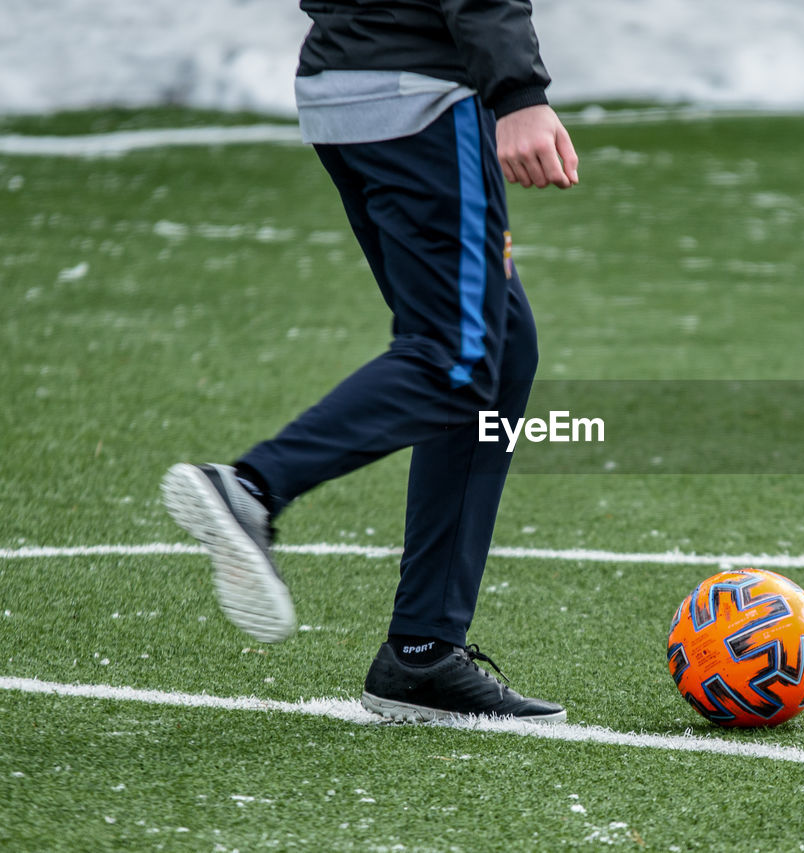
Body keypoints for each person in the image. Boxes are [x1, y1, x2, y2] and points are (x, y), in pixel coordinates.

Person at [161, 0, 578, 724]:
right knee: (456, 356)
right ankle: (252, 487)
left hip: (349, 80)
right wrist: (518, 92)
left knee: (500, 347)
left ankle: (422, 653)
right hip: (418, 90)